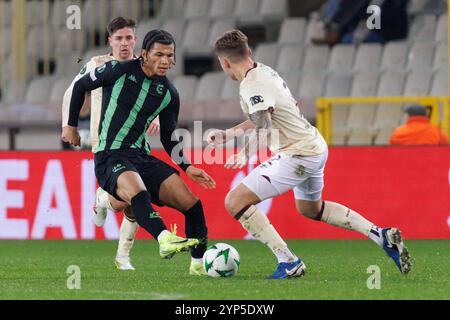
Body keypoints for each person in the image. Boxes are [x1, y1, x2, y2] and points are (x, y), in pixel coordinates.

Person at [208, 29, 412, 279]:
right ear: (248, 52)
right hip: (314, 147)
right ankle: (380, 235)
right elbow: (266, 116)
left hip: (297, 154)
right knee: (311, 209)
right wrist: (229, 134)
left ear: (224, 62)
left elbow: (264, 125)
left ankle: (288, 261)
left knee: (234, 201)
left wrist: (244, 153)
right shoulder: (263, 71)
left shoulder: (252, 85)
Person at [62, 29, 216, 276]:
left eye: (170, 55)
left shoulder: (168, 93)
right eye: (159, 55)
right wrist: (70, 126)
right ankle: (164, 239)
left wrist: (188, 167)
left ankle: (199, 268)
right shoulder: (119, 71)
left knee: (193, 205)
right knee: (137, 193)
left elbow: (168, 136)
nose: (165, 61)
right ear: (144, 54)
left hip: (140, 157)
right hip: (110, 154)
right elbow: (81, 85)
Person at [62, 17, 161, 271]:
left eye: (129, 38)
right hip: (106, 144)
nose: (124, 43)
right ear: (110, 41)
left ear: (136, 40)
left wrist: (157, 117)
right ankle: (105, 205)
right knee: (128, 199)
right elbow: (73, 90)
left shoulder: (145, 68)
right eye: (119, 38)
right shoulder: (98, 65)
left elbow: (156, 97)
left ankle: (121, 253)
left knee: (131, 201)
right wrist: (69, 125)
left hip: (136, 143)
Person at [312, 0, 409, 45]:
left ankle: (334, 31)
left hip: (383, 32)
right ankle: (332, 30)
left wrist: (357, 38)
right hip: (361, 31)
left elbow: (375, 13)